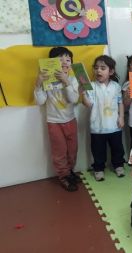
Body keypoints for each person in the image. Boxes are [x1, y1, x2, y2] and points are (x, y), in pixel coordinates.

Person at [34, 47, 80, 191]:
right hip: (54, 122)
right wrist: (38, 84)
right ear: (51, 63)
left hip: (70, 120)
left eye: (68, 60)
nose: (65, 62)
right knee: (59, 151)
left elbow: (74, 99)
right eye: (60, 60)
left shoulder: (73, 79)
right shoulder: (47, 81)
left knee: (72, 149)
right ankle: (63, 176)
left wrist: (67, 82)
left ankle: (70, 171)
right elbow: (40, 101)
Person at [79, 55, 125, 181]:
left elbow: (120, 102)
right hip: (97, 127)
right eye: (96, 68)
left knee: (117, 148)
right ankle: (98, 169)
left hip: (114, 126)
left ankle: (119, 165)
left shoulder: (116, 86)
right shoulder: (91, 86)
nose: (98, 70)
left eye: (103, 68)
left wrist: (121, 117)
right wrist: (82, 94)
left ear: (110, 71)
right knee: (98, 151)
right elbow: (88, 104)